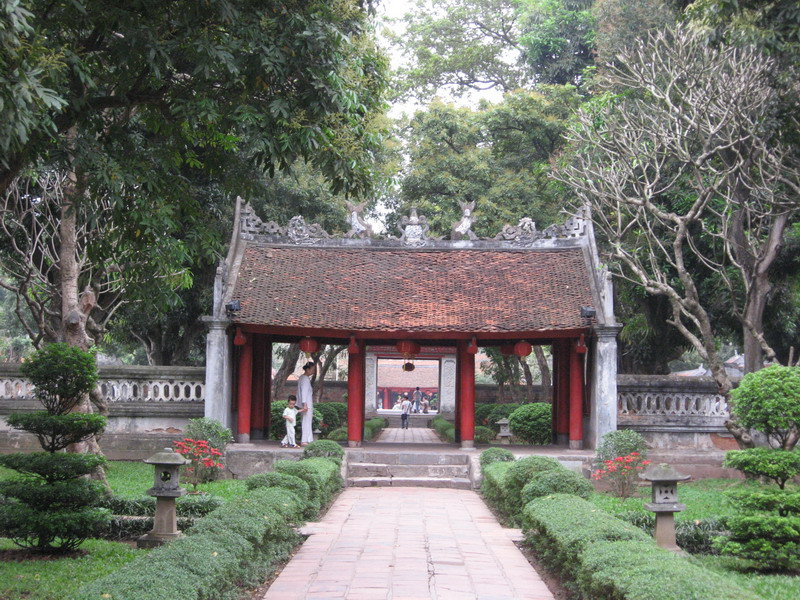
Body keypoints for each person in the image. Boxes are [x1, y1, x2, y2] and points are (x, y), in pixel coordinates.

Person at [296, 361, 315, 446]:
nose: (313, 371)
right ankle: (304, 440)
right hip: (306, 403)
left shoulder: (302, 378)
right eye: (312, 369)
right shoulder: (305, 379)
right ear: (307, 369)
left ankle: (308, 439)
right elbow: (303, 392)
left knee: (306, 421)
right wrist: (305, 404)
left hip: (306, 403)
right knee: (306, 422)